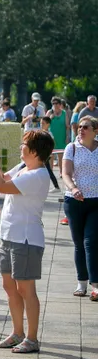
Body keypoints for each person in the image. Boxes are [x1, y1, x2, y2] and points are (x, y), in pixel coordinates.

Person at [0, 131, 53, 354]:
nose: (20, 147)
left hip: (26, 238)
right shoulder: (24, 167)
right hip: (9, 235)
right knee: (9, 286)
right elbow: (1, 178)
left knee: (25, 288)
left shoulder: (38, 175)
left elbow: (1, 187)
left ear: (34, 151)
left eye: (24, 144)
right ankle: (17, 333)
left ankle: (32, 338)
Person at [61, 118, 98, 300]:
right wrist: (73, 188)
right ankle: (81, 283)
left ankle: (96, 285)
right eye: (79, 127)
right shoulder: (72, 147)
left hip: (96, 202)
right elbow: (66, 173)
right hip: (74, 201)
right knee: (79, 244)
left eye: (86, 127)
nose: (81, 129)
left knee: (91, 241)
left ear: (95, 131)